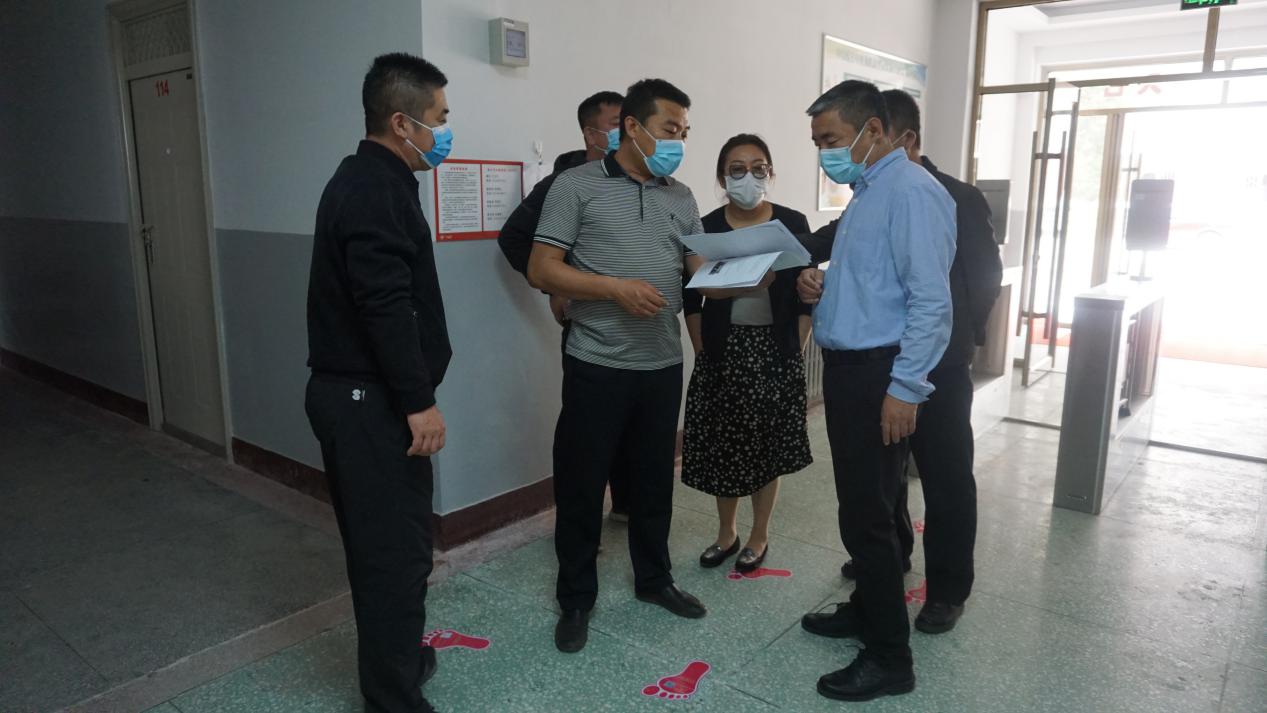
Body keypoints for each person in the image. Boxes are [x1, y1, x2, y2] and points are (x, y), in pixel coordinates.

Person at [528, 78, 709, 654]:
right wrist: (612, 288)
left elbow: (698, 271)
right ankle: (576, 597)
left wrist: (750, 274)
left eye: (684, 132)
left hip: (661, 363)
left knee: (654, 481)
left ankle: (654, 579)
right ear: (631, 127)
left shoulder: (681, 196)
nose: (678, 142)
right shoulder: (575, 185)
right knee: (582, 484)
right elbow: (542, 268)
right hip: (597, 361)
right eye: (669, 129)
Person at [795, 80, 956, 702]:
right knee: (874, 506)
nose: (824, 153)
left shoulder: (911, 191)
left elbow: (930, 301)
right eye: (817, 143)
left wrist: (905, 388)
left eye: (831, 139)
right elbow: (875, 284)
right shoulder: (868, 191)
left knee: (867, 517)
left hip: (879, 374)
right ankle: (867, 608)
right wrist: (819, 285)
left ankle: (890, 658)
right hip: (850, 370)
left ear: (875, 131)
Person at [304, 53, 453, 713]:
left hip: (362, 397)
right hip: (370, 402)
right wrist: (418, 402)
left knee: (392, 547)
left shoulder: (374, 179)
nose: (445, 131)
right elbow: (384, 303)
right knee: (392, 555)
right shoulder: (373, 189)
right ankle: (392, 699)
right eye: (439, 118)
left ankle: (400, 663)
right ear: (401, 122)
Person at [832, 89, 1003, 635]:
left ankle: (947, 591)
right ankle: (890, 562)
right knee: (884, 484)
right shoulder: (867, 192)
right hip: (887, 362)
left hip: (940, 367)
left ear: (896, 136)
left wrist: (960, 346)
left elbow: (981, 279)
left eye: (836, 140)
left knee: (945, 477)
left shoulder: (948, 195)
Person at [682, 134, 814, 573]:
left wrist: (795, 346)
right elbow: (693, 296)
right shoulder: (707, 227)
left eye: (759, 168)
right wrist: (703, 350)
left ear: (770, 173)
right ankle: (726, 533)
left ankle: (759, 534)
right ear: (722, 177)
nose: (748, 177)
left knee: (766, 446)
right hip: (724, 349)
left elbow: (805, 294)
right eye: (737, 169)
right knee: (725, 444)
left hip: (775, 350)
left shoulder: (791, 223)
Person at [497, 90, 630, 521]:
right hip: (587, 324)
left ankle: (626, 504)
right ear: (591, 134)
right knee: (585, 429)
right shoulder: (562, 184)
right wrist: (555, 288)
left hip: (635, 324)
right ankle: (579, 525)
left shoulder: (638, 180)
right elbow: (513, 238)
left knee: (630, 421)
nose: (628, 132)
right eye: (616, 124)